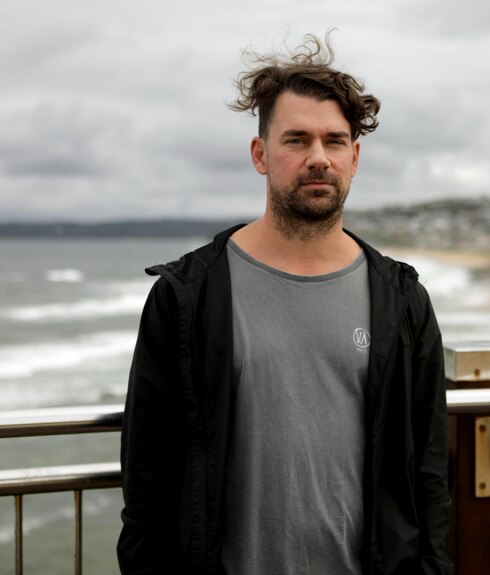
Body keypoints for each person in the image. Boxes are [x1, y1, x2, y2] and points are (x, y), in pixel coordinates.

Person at [117, 34, 453, 574]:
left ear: (355, 157)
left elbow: (429, 474)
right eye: (296, 140)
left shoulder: (401, 300)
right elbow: (147, 482)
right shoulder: (187, 297)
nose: (318, 158)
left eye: (334, 141)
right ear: (260, 154)